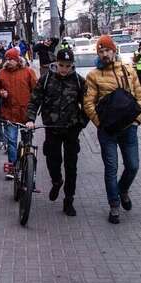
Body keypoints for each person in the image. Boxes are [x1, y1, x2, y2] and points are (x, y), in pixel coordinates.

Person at [83, 35, 141, 224]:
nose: (104, 54)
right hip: (107, 131)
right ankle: (114, 205)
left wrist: (137, 120)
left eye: (107, 50)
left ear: (114, 50)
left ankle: (123, 189)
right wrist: (100, 123)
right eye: (101, 51)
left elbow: (138, 96)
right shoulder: (93, 75)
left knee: (133, 166)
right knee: (111, 168)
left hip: (128, 128)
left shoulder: (128, 70)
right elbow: (88, 103)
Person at [25, 49, 88, 216]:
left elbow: (87, 106)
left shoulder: (78, 81)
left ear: (72, 66)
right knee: (53, 160)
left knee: (71, 166)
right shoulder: (46, 80)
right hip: (52, 129)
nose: (64, 69)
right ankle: (56, 181)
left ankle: (69, 199)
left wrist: (81, 122)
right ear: (56, 64)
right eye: (61, 65)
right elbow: (34, 100)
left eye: (68, 66)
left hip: (71, 129)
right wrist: (30, 119)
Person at [0, 48, 38, 179]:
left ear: (18, 59)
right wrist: (1, 92)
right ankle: (12, 168)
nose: (9, 62)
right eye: (7, 59)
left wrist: (33, 111)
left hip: (26, 114)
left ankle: (27, 166)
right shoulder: (2, 73)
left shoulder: (28, 72)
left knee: (27, 142)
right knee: (12, 142)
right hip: (9, 114)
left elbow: (36, 91)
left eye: (11, 59)